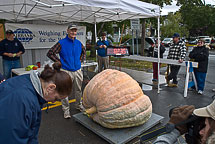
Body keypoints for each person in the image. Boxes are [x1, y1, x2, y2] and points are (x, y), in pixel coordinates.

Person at [0, 62, 73, 144]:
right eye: (56, 98)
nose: (53, 102)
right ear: (51, 88)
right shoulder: (21, 102)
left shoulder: (31, 83)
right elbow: (11, 139)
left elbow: (30, 132)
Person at [47, 24, 86, 119]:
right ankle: (66, 110)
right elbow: (50, 53)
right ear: (67, 31)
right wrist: (60, 62)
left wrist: (80, 61)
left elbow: (84, 52)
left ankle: (78, 105)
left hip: (77, 70)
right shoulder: (61, 43)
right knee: (64, 91)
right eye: (71, 30)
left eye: (75, 31)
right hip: (66, 71)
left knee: (78, 90)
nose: (73, 32)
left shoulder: (79, 43)